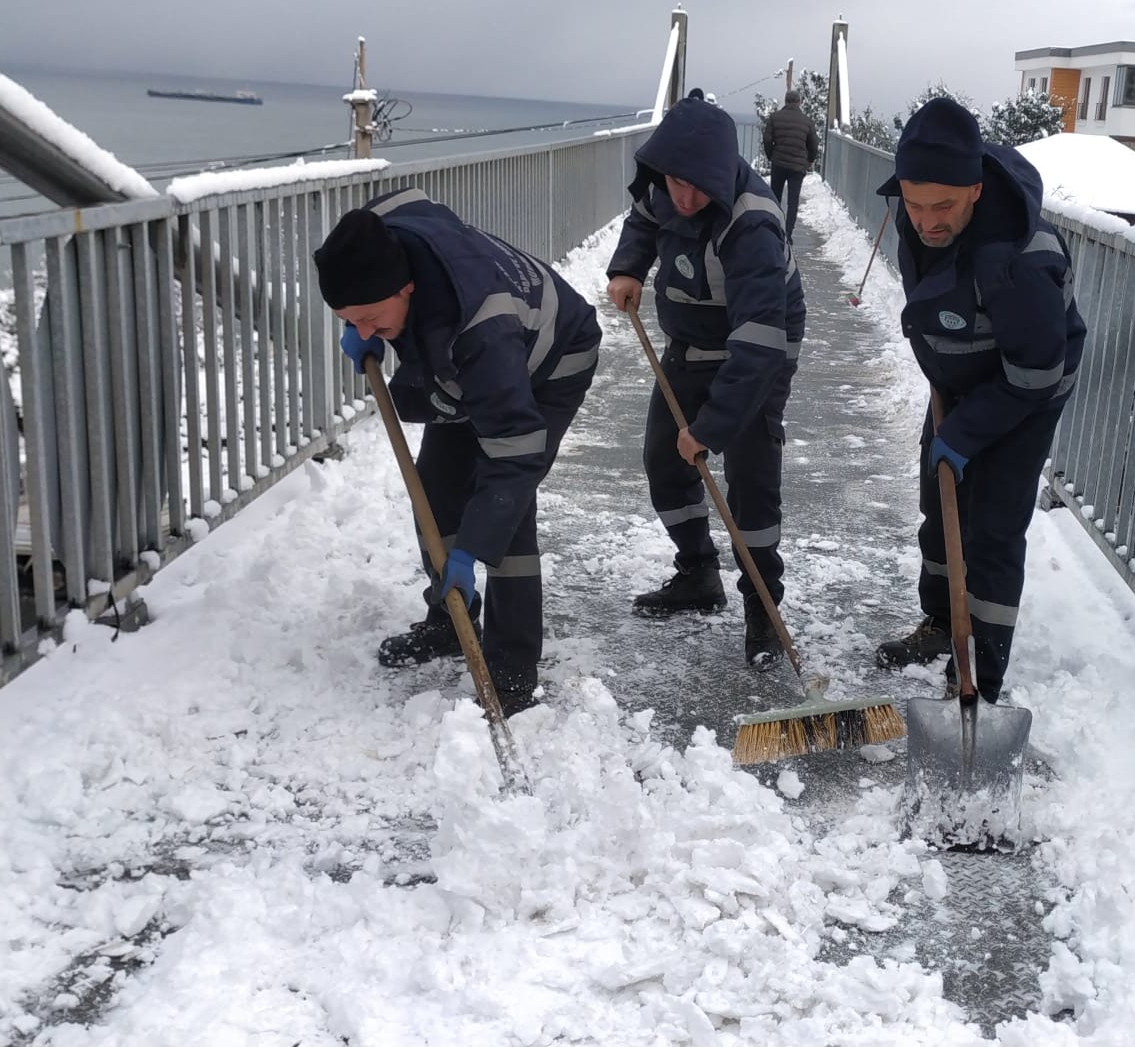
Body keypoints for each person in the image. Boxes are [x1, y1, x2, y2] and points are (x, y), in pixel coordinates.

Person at [313, 189, 602, 714]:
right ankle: (451, 619)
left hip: (550, 360)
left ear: (407, 288)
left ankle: (512, 672)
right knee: (439, 489)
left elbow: (513, 455)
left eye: (372, 318)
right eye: (348, 321)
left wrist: (473, 549)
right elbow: (413, 201)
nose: (362, 332)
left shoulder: (479, 328)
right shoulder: (381, 235)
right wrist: (370, 329)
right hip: (465, 359)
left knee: (506, 516)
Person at [870, 98, 1087, 704]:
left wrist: (966, 433)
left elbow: (1038, 371)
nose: (927, 221)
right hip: (960, 383)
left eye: (943, 206)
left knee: (990, 528)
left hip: (1024, 392)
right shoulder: (921, 216)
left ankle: (978, 678)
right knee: (939, 508)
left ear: (975, 187)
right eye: (914, 204)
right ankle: (942, 624)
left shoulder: (1019, 261)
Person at [604, 97, 806, 668]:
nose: (684, 198)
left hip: (758, 351)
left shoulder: (753, 225)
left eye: (697, 188)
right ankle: (697, 574)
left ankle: (763, 611)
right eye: (674, 183)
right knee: (664, 460)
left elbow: (759, 348)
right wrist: (628, 267)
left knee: (750, 479)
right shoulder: (664, 188)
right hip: (691, 342)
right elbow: (644, 219)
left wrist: (711, 429)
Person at [761, 89, 818, 241]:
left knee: (775, 198)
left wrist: (771, 155)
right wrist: (809, 161)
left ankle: (774, 230)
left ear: (785, 101)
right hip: (797, 167)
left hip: (778, 163)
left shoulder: (774, 118)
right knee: (793, 202)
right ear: (799, 102)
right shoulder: (807, 121)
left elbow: (767, 139)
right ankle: (788, 234)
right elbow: (814, 144)